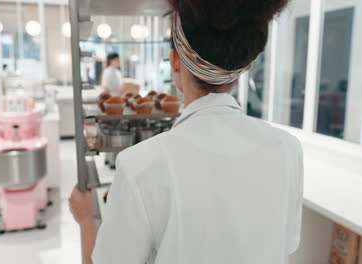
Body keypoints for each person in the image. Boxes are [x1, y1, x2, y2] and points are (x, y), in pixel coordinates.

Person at [69, 0, 303, 263]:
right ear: (244, 66)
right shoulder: (287, 149)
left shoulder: (141, 166)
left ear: (175, 62)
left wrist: (86, 219)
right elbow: (286, 243)